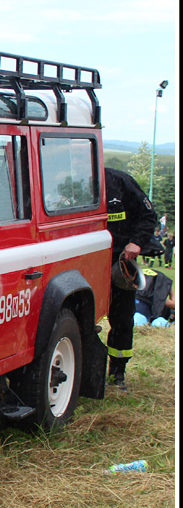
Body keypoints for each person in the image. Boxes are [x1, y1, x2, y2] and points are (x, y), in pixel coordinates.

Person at [104, 167, 158, 392]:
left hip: (119, 262)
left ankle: (117, 374)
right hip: (84, 262)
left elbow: (148, 215)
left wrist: (136, 242)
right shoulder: (67, 180)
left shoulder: (119, 181)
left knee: (122, 319)